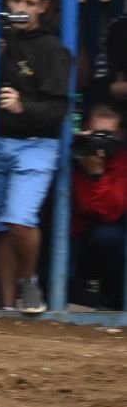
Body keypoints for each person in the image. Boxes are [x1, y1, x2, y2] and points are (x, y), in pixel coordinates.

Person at [0, 0, 72, 314]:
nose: (21, 9)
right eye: (16, 2)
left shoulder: (53, 50)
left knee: (20, 218)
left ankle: (30, 282)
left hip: (36, 145)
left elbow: (58, 111)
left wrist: (23, 106)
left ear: (43, 7)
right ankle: (8, 307)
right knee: (0, 226)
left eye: (29, 3)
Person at [71, 103, 126, 309]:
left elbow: (112, 212)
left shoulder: (122, 161)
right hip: (73, 236)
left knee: (108, 236)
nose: (101, 143)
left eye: (108, 136)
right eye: (96, 134)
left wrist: (97, 174)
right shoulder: (74, 152)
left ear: (120, 134)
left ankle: (111, 301)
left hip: (105, 240)